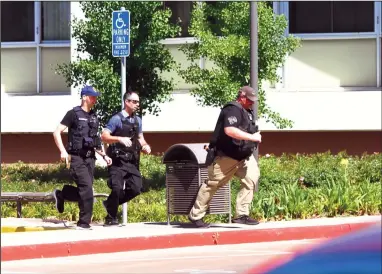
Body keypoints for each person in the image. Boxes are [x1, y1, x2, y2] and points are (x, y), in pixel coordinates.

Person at [188, 86, 262, 228]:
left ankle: (241, 214)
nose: (252, 102)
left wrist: (255, 135)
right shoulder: (232, 109)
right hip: (226, 156)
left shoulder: (247, 111)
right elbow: (230, 130)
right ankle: (195, 216)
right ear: (241, 96)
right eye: (249, 100)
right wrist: (252, 137)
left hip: (244, 157)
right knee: (213, 184)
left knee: (251, 178)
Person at [52, 85, 112, 230]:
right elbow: (56, 132)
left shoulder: (94, 116)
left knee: (85, 191)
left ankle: (62, 194)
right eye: (92, 96)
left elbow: (95, 140)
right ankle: (84, 223)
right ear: (84, 97)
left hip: (90, 158)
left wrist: (104, 155)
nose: (95, 99)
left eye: (96, 97)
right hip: (77, 157)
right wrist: (63, 151)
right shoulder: (73, 114)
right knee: (87, 189)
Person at [101, 91, 151, 226]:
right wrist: (119, 138)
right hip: (117, 161)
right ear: (126, 102)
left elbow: (140, 138)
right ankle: (111, 217)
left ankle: (109, 204)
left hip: (132, 161)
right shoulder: (116, 119)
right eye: (134, 102)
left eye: (138, 102)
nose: (137, 104)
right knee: (116, 188)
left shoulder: (137, 120)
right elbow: (104, 136)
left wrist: (145, 146)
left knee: (136, 188)